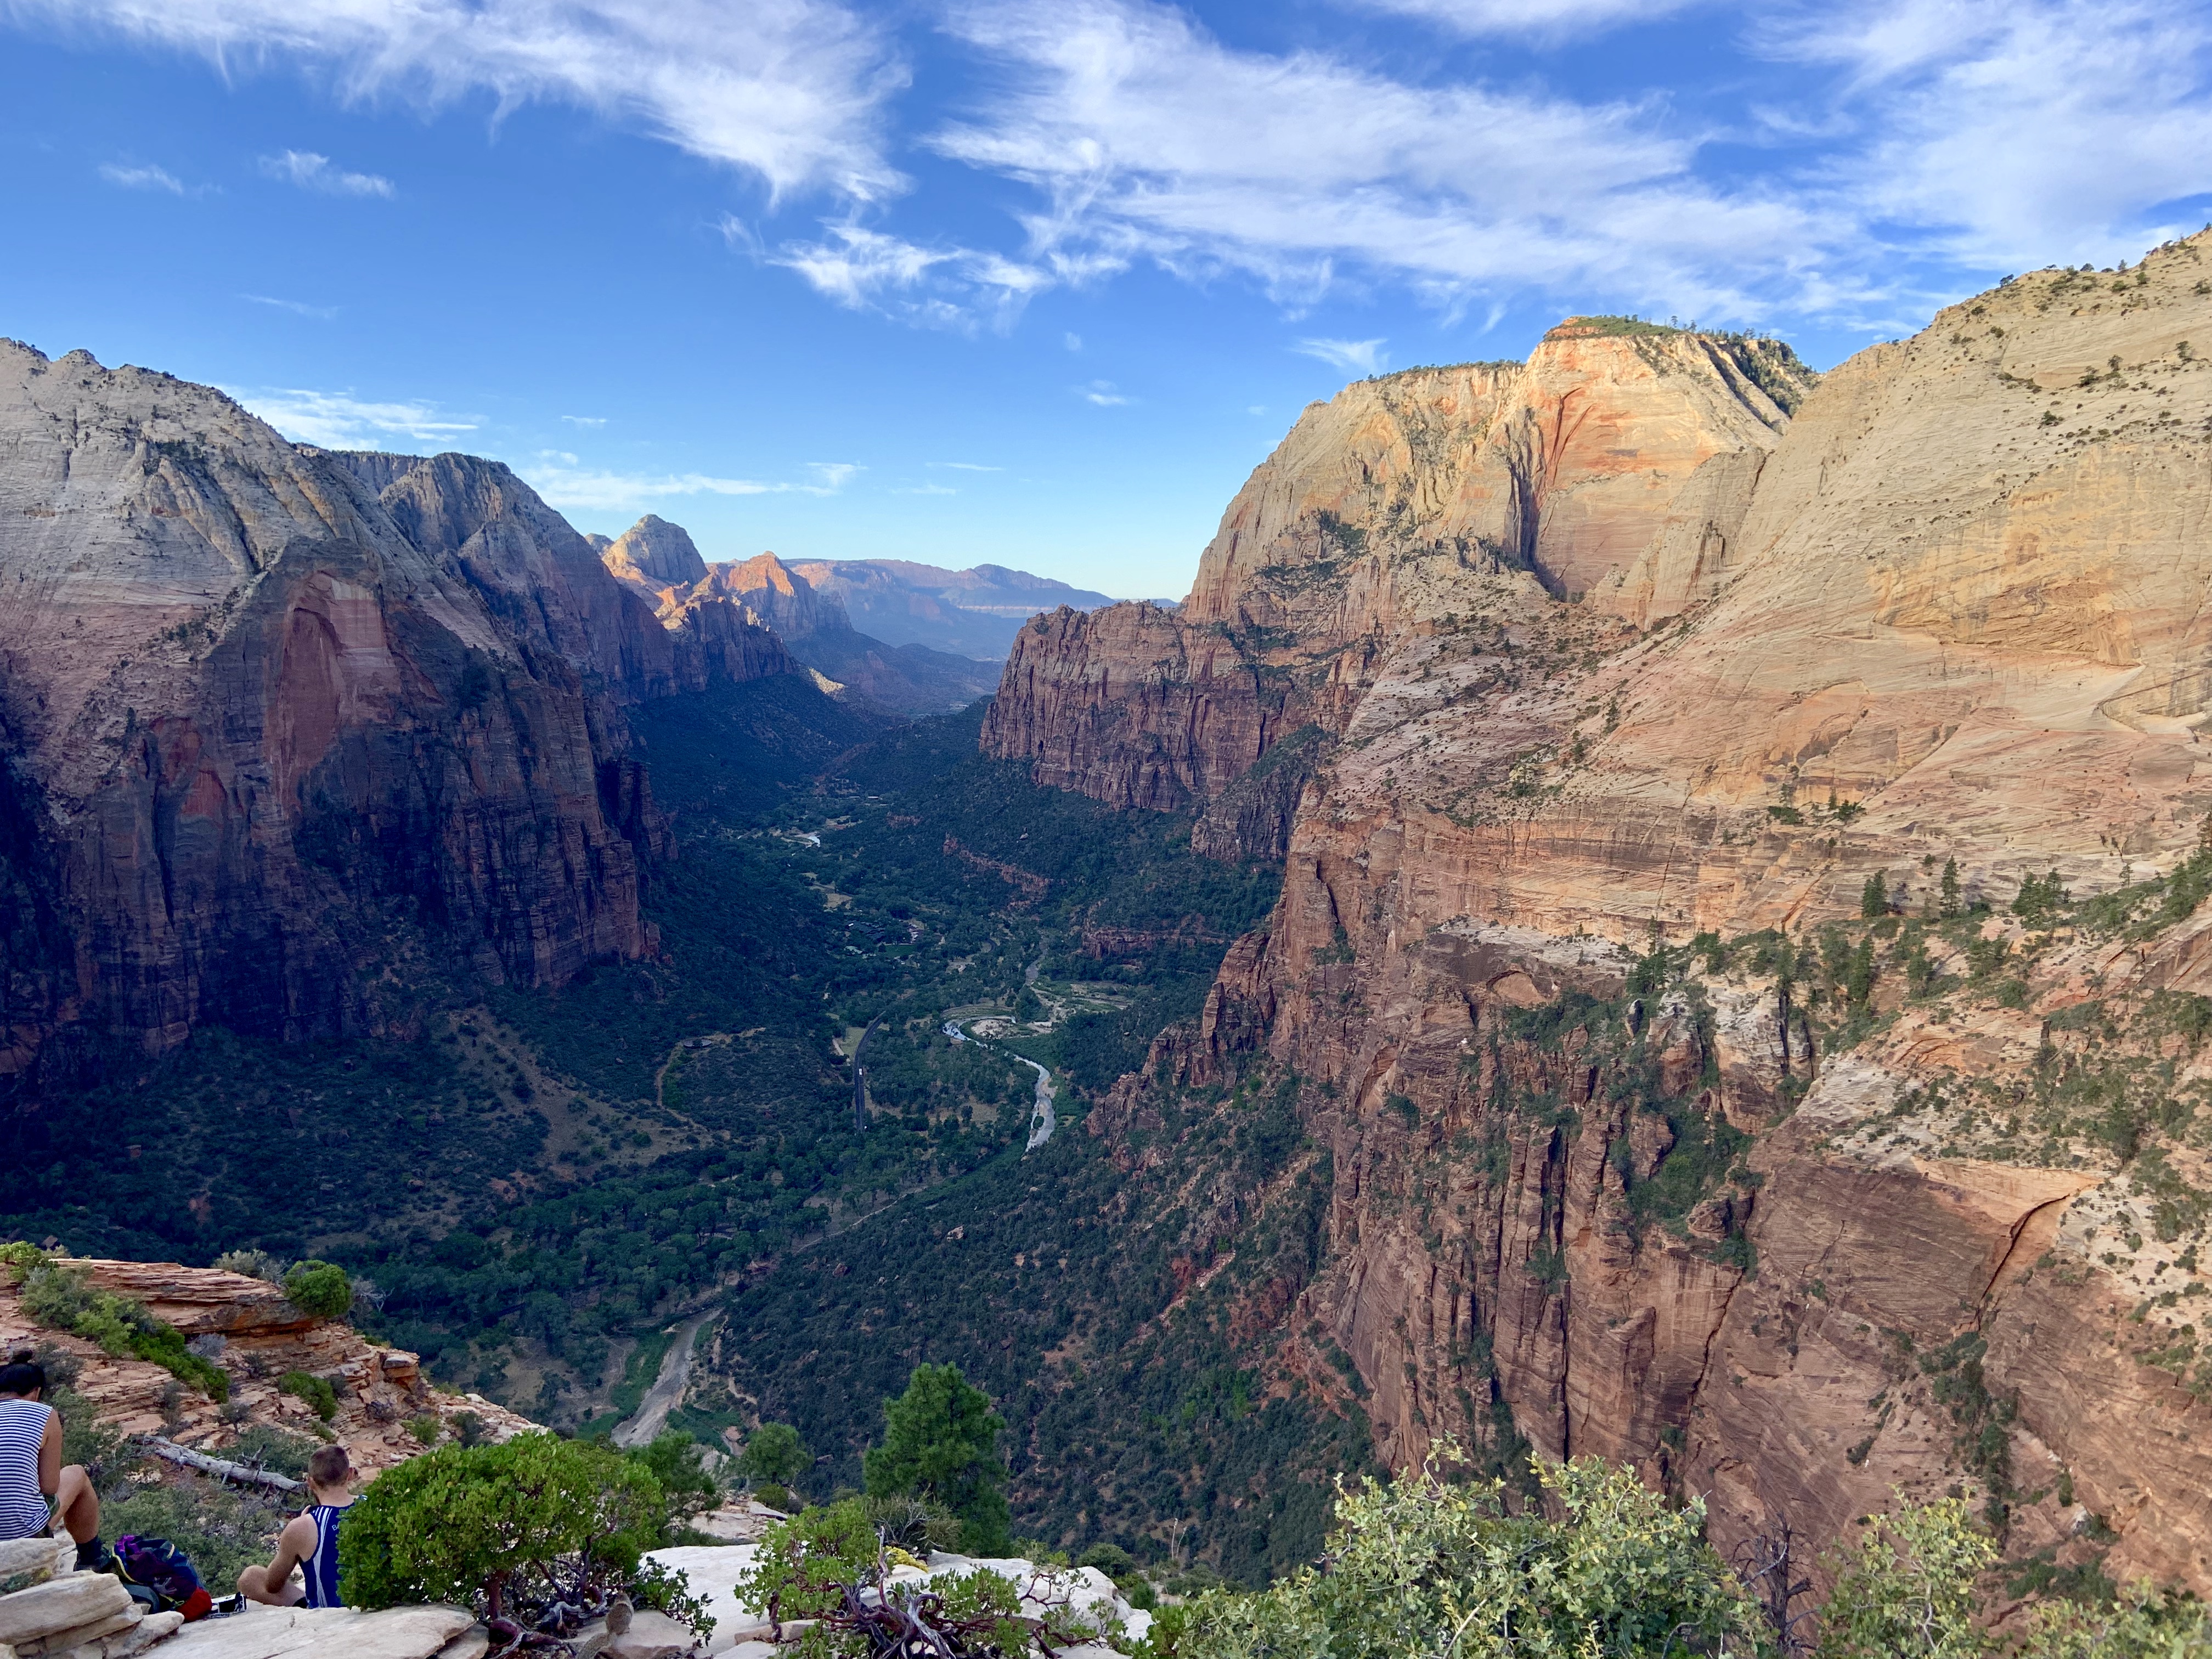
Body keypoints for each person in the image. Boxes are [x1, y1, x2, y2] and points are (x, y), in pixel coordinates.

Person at [0, 1350, 104, 1567]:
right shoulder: (44, 1413)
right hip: (23, 1537)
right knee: (76, 1474)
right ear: (36, 1392)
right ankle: (92, 1559)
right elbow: (49, 1487)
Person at [237, 1445, 356, 1609]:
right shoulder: (376, 1506)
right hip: (381, 1602)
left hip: (331, 1614)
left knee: (251, 1577)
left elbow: (272, 1585)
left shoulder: (303, 1526)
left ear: (310, 1482)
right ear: (350, 1474)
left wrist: (300, 1530)